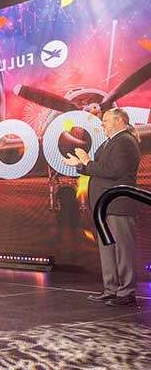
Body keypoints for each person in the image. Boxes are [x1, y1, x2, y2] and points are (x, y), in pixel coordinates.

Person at [64, 108, 141, 307]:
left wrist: (87, 161)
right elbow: (97, 168)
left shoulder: (125, 141)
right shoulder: (109, 142)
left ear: (120, 120)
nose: (102, 124)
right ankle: (111, 289)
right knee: (107, 248)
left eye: (106, 120)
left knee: (123, 249)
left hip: (118, 204)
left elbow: (114, 171)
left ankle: (127, 291)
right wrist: (80, 165)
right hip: (104, 205)